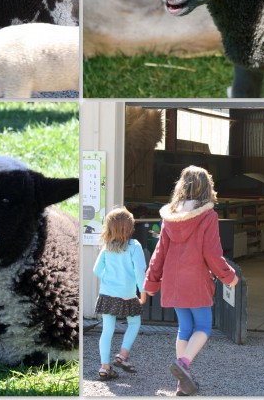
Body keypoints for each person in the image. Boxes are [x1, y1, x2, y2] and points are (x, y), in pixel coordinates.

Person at [144, 165, 238, 396]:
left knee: (185, 328)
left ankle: (182, 383)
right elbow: (212, 254)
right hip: (195, 281)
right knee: (204, 327)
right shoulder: (208, 216)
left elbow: (159, 253)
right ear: (207, 188)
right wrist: (229, 277)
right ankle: (183, 364)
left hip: (173, 282)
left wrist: (150, 283)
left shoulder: (170, 216)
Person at [93, 206, 147, 380]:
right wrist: (143, 292)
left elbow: (96, 269)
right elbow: (140, 271)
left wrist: (110, 280)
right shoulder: (134, 246)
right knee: (134, 323)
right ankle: (122, 355)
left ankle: (104, 367)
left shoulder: (107, 247)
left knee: (107, 330)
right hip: (128, 294)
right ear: (129, 227)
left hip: (107, 293)